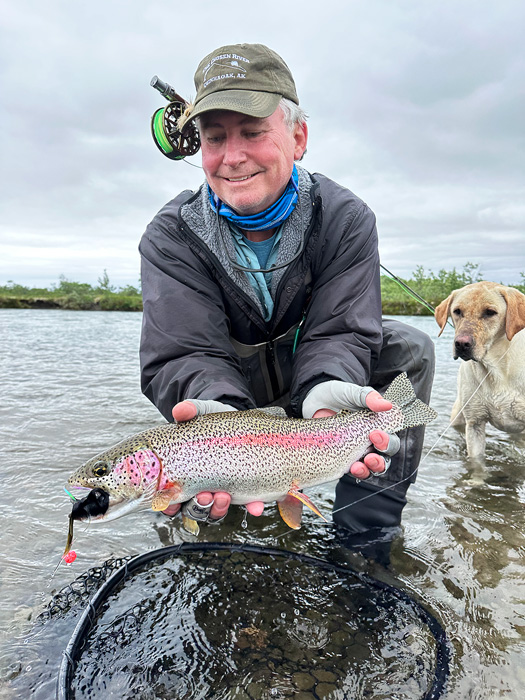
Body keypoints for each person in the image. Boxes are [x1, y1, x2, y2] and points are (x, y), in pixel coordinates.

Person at [139, 43, 435, 540]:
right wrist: (220, 424)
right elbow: (186, 352)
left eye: (252, 133)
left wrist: (327, 395)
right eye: (215, 138)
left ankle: (366, 539)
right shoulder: (170, 237)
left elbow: (343, 329)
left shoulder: (345, 217)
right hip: (231, 393)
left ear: (298, 137)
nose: (233, 158)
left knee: (412, 350)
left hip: (318, 377)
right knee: (218, 524)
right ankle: (225, 533)